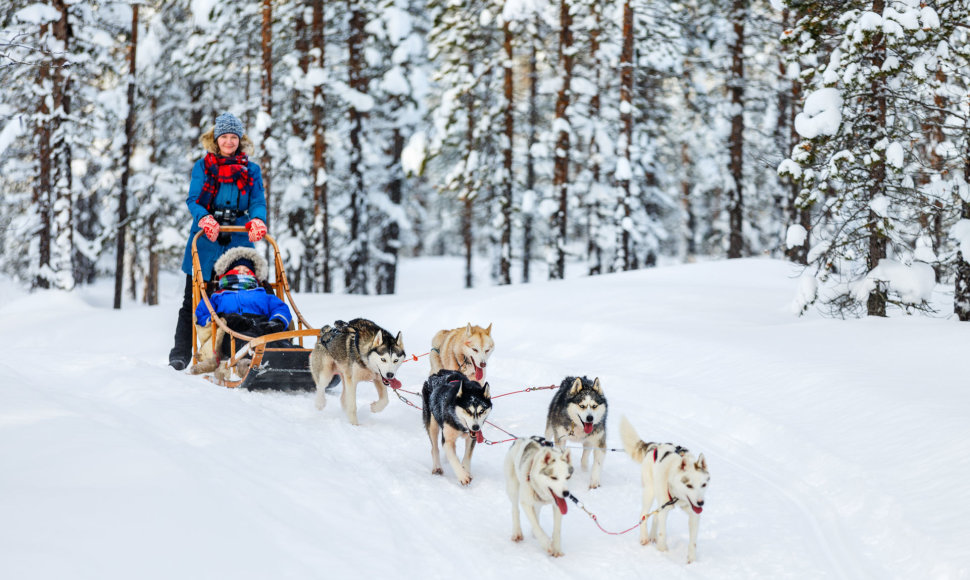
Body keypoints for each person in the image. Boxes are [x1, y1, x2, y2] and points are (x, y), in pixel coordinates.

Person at [169, 112, 268, 370]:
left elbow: (257, 201)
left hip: (238, 236)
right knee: (195, 296)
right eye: (224, 136)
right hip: (206, 240)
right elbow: (194, 200)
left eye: (233, 137)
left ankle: (248, 347)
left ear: (240, 139)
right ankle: (181, 354)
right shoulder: (203, 167)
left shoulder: (251, 170)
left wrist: (257, 220)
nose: (228, 142)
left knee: (245, 291)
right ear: (215, 139)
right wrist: (205, 219)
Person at [191, 247, 292, 375]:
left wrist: (277, 321)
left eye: (247, 271)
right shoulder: (217, 296)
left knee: (278, 342)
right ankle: (250, 364)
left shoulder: (262, 293)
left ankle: (302, 360)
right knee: (246, 342)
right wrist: (222, 318)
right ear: (227, 273)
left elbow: (280, 308)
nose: (242, 273)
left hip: (262, 326)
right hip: (233, 330)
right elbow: (202, 314)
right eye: (237, 270)